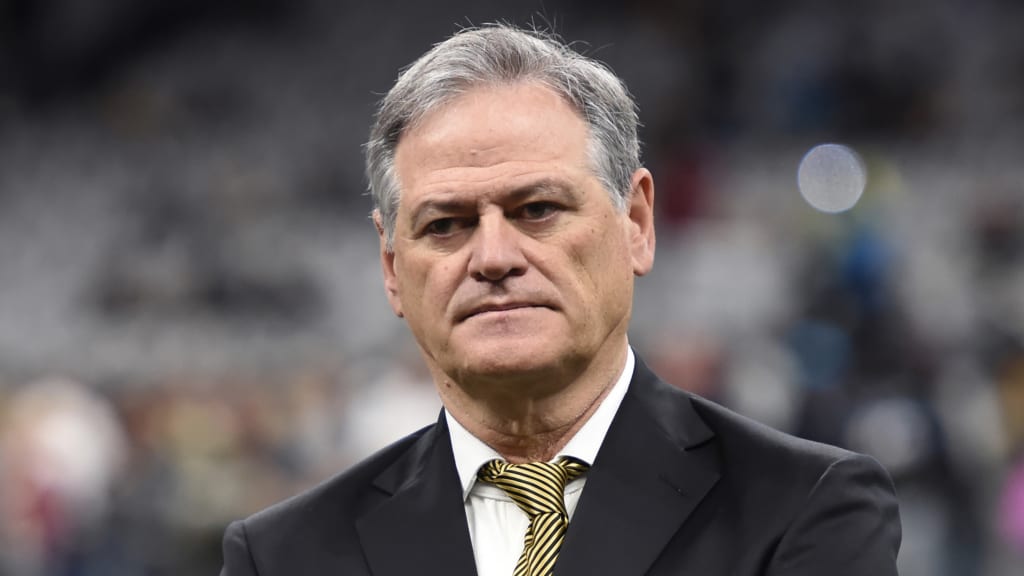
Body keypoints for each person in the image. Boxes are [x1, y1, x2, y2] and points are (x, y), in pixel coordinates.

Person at [219, 24, 901, 576]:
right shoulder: (282, 557)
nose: (492, 257)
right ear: (392, 267)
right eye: (445, 225)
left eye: (538, 208)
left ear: (635, 223)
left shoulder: (804, 510)